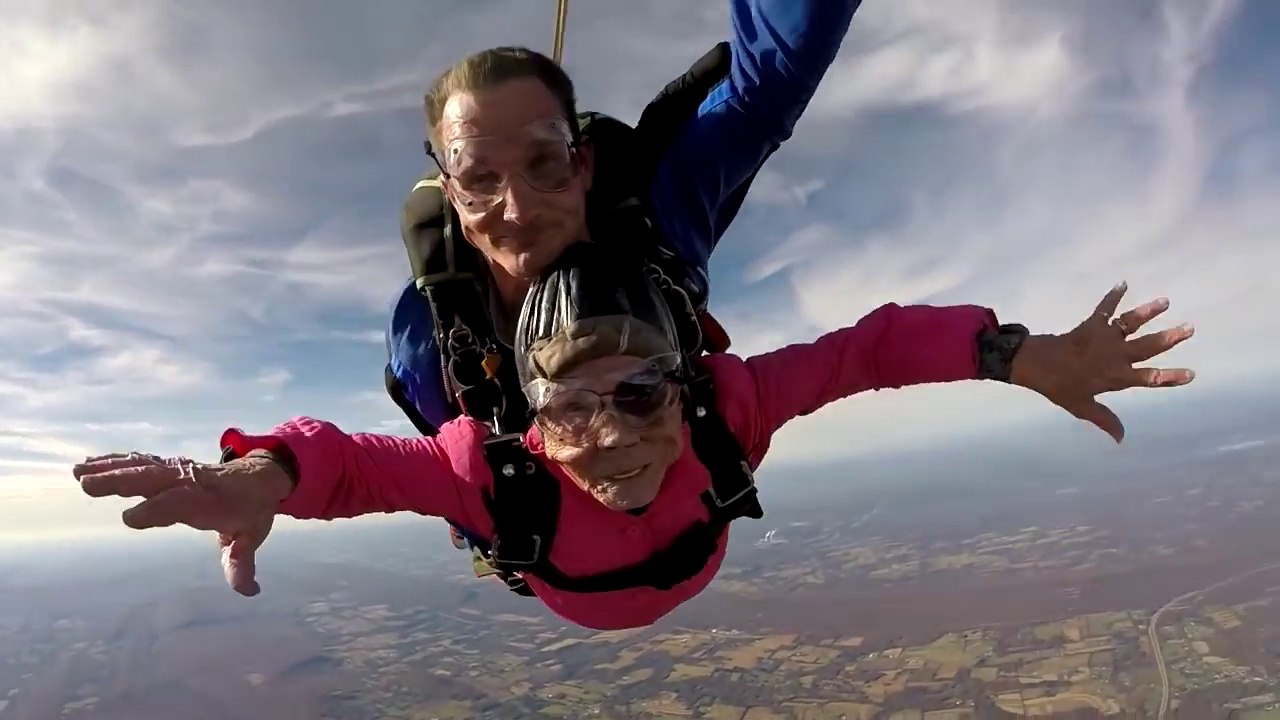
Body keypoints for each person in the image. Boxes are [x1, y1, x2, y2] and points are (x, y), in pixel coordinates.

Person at [73, 242, 1196, 632]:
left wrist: (1012, 354)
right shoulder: (486, 466)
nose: (608, 439)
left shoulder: (730, 406)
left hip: (641, 562)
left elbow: (866, 348)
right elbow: (358, 461)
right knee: (424, 369)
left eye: (640, 397)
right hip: (562, 559)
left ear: (686, 385)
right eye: (566, 408)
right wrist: (264, 471)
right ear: (527, 424)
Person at [386, 0, 870, 437]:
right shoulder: (432, 331)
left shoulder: (655, 222)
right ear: (452, 195)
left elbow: (772, 77)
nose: (519, 207)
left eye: (545, 161)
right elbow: (453, 454)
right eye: (480, 178)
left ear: (584, 164)